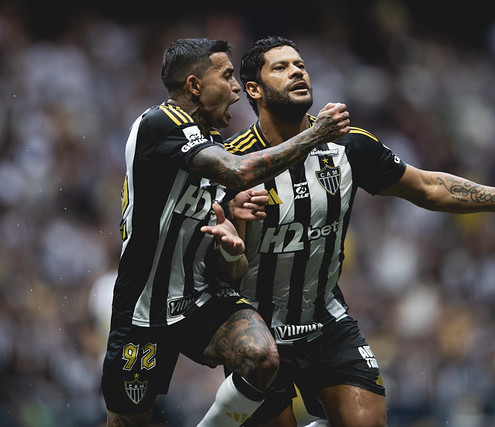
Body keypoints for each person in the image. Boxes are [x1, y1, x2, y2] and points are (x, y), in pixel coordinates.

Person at [203, 36, 495, 427]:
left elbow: (427, 187)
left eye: (300, 65)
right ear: (254, 89)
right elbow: (217, 270)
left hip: (325, 322)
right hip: (257, 334)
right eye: (281, 67)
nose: (297, 72)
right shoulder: (233, 164)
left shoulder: (348, 145)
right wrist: (232, 247)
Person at [100, 37, 351, 427]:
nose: (237, 88)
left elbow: (233, 267)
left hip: (200, 298)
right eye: (227, 76)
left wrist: (232, 241)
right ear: (195, 85)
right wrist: (316, 135)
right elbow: (238, 171)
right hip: (144, 308)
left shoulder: (211, 142)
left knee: (262, 358)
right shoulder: (160, 123)